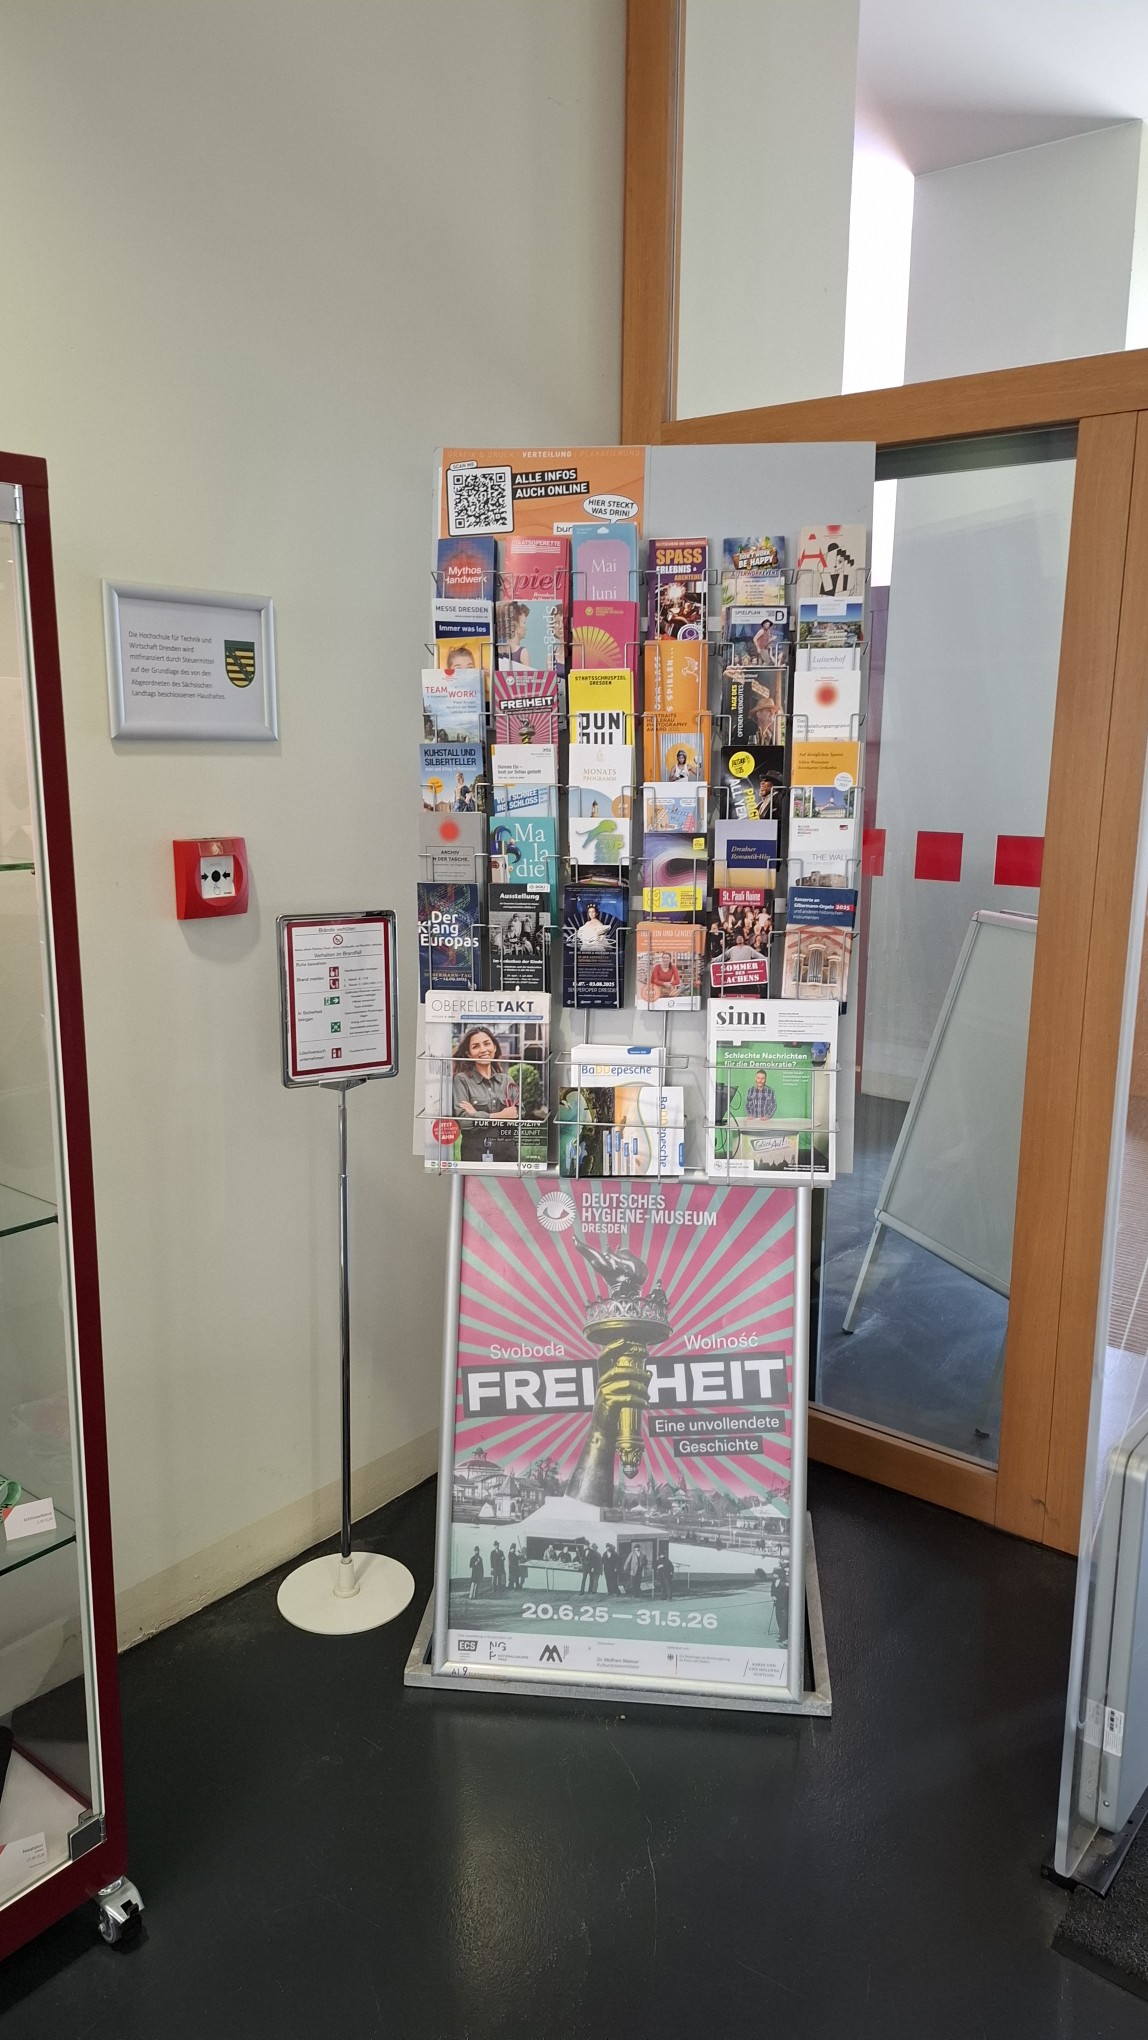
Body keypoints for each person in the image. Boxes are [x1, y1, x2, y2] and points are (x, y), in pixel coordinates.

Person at [452, 1025, 519, 1121]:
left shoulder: (507, 1080)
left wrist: (476, 1115)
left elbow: (518, 1114)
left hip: (504, 1132)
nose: (483, 1050)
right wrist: (498, 1116)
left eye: (487, 1044)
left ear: (494, 1047)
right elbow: (464, 1121)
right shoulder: (462, 1080)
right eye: (476, 1046)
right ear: (469, 1054)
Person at [772, 1562, 790, 1646]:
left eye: (774, 1574)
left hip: (784, 1604)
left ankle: (786, 1638)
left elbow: (786, 1594)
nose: (773, 1575)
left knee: (784, 1621)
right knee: (778, 1619)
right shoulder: (774, 1581)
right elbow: (772, 1590)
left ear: (778, 1574)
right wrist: (773, 1596)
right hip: (777, 1604)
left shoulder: (785, 1581)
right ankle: (781, 1636)